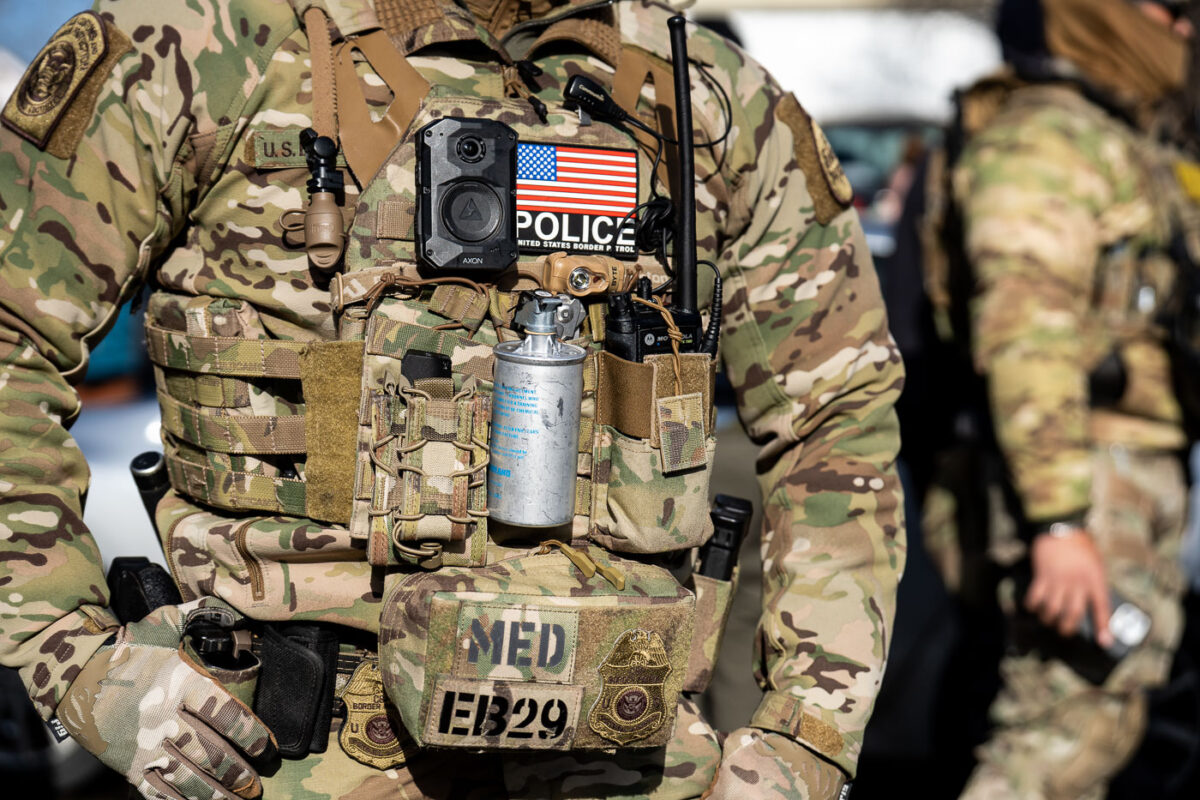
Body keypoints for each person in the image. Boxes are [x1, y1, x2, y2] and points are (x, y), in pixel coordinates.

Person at [0, 1, 905, 798]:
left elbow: (839, 419)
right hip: (280, 754)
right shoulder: (202, 43)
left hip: (627, 751)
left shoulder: (706, 97)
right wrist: (71, 656)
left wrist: (807, 737)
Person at [948, 0, 1197, 796]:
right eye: (1173, 11)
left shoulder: (1119, 132)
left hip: (1128, 469)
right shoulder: (1048, 138)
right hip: (1086, 476)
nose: (1186, 32)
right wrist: (1060, 522)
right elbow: (1027, 337)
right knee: (1057, 738)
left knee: (1096, 729)